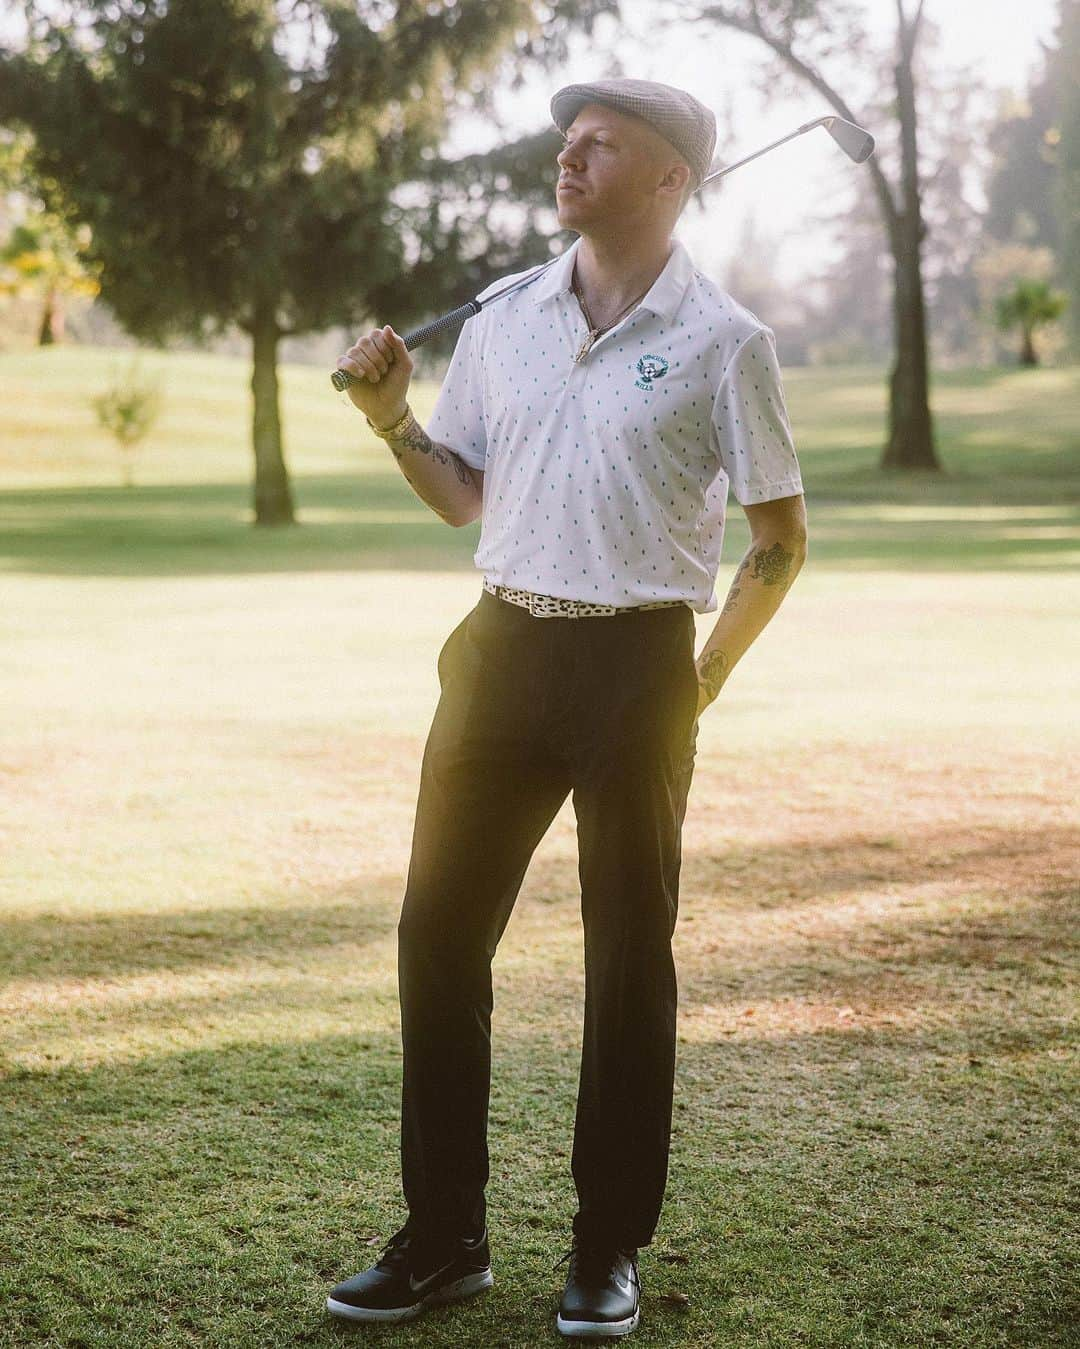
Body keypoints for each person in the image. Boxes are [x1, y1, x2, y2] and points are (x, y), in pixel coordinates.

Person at [325, 76, 808, 1340]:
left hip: (638, 663)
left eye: (604, 146)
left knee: (627, 963)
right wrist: (394, 423)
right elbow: (462, 495)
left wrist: (698, 679)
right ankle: (443, 1239)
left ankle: (607, 1249)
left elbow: (779, 542)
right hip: (497, 653)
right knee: (435, 937)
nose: (571, 159)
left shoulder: (726, 342)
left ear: (669, 180)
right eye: (568, 143)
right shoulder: (505, 317)